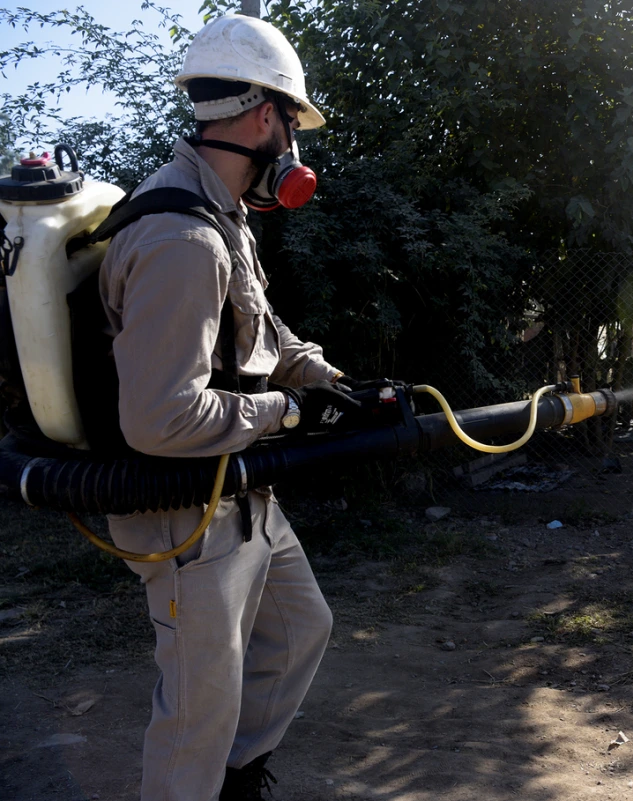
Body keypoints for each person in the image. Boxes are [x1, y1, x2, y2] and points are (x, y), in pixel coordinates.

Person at [98, 14, 364, 800]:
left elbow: (263, 333)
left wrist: (330, 380)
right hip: (184, 508)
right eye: (291, 121)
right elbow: (159, 417)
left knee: (298, 628)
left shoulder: (223, 215)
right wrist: (283, 413)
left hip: (236, 490)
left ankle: (235, 778)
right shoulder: (183, 239)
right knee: (196, 718)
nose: (293, 141)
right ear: (263, 116)